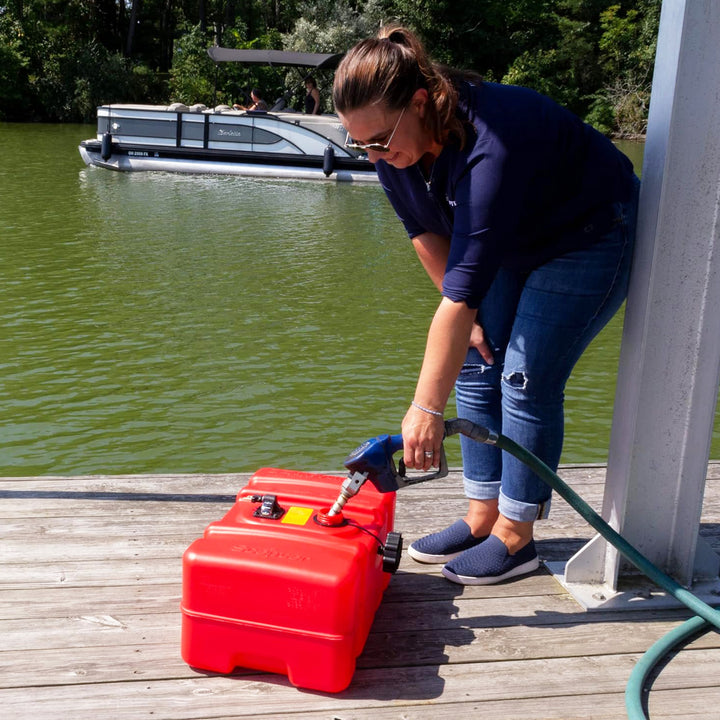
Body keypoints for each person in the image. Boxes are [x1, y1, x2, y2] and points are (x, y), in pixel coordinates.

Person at [333, 26, 639, 586]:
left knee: (523, 377)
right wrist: (466, 318)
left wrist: (425, 409)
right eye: (362, 145)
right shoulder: (393, 152)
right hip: (509, 239)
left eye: (380, 140)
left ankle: (517, 536)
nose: (375, 155)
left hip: (587, 233)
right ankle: (481, 514)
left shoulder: (488, 142)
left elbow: (463, 290)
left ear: (420, 102)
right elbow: (424, 234)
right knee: (477, 360)